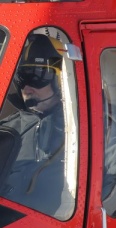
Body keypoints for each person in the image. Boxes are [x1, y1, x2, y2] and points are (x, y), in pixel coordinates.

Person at [0, 35, 73, 218]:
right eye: (22, 77)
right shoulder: (9, 128)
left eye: (37, 76)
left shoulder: (84, 126)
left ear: (60, 81)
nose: (27, 88)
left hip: (59, 226)